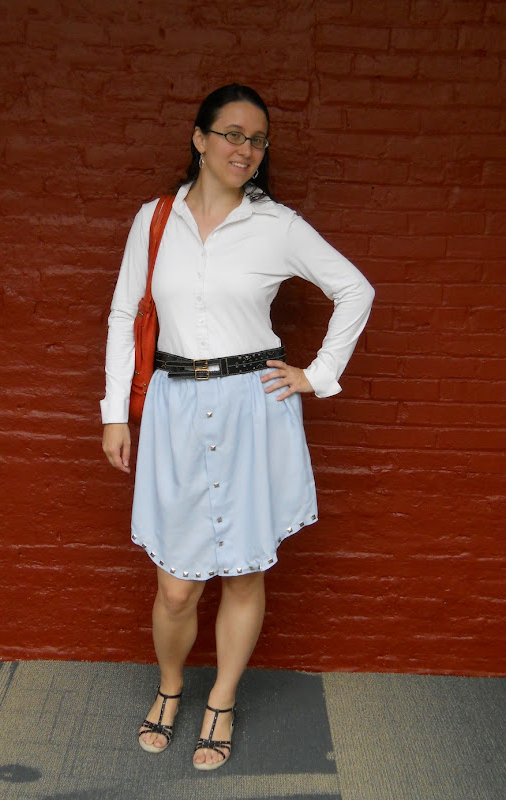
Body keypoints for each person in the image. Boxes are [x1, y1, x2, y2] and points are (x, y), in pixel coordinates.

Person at [101, 84, 374, 770]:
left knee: (245, 574)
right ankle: (170, 688)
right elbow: (124, 314)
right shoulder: (155, 220)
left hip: (253, 408)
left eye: (256, 139)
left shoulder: (276, 225)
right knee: (175, 586)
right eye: (231, 134)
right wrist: (114, 412)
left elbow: (354, 289)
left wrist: (318, 373)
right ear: (199, 139)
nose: (244, 149)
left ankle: (220, 700)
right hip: (173, 407)